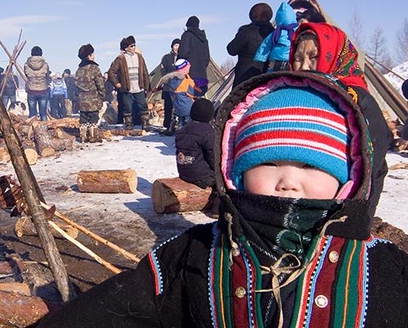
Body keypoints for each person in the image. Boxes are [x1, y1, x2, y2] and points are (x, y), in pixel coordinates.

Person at [38, 71, 408, 328]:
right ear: (237, 169)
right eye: (268, 162)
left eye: (312, 166)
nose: (289, 183)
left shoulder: (383, 270)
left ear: (348, 177)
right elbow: (116, 310)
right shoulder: (193, 256)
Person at [290, 22, 391, 220]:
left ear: (334, 55)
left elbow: (370, 169)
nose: (303, 67)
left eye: (313, 57)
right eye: (298, 58)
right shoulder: (294, 95)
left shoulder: (357, 100)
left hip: (343, 213)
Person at [173, 97, 217, 214]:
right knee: (221, 182)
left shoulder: (183, 129)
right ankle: (217, 209)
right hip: (200, 174)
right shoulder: (207, 131)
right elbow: (212, 154)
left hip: (183, 170)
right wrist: (217, 168)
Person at [107, 35, 151, 130]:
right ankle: (128, 124)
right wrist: (117, 83)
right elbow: (111, 72)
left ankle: (145, 124)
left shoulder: (139, 57)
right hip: (127, 88)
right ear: (126, 48)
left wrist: (147, 87)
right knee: (128, 108)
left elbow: (145, 72)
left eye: (134, 45)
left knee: (143, 106)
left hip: (139, 87)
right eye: (131, 46)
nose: (134, 47)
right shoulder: (120, 59)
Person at [227, 2, 274, 87]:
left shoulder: (246, 31)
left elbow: (231, 50)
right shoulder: (274, 34)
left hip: (244, 76)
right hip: (265, 76)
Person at [254, 2, 298, 72]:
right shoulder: (296, 32)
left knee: (271, 76)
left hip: (274, 59)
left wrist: (260, 57)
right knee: (290, 78)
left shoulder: (275, 33)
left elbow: (265, 45)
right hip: (289, 60)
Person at [75, 44, 105, 142]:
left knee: (83, 119)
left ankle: (83, 136)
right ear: (89, 55)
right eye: (93, 54)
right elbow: (100, 84)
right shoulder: (94, 68)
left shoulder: (79, 69)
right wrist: (101, 95)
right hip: (93, 99)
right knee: (93, 118)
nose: (94, 56)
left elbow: (76, 84)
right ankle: (93, 136)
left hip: (81, 99)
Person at [178, 16, 211, 93]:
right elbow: (207, 58)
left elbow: (183, 53)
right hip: (202, 74)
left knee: (189, 98)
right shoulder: (204, 39)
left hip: (189, 74)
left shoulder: (187, 36)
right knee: (199, 97)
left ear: (188, 25)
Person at [158, 38, 180, 134]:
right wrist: (169, 77)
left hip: (179, 87)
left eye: (179, 46)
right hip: (168, 86)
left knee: (178, 107)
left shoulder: (183, 57)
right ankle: (167, 125)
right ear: (172, 46)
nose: (177, 48)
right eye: (175, 45)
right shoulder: (166, 57)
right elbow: (163, 70)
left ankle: (177, 125)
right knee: (168, 107)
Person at [24, 46, 51, 120]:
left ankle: (33, 130)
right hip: (43, 90)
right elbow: (47, 76)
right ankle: (44, 129)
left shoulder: (26, 65)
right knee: (43, 114)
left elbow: (26, 75)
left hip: (31, 90)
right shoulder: (45, 65)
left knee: (32, 114)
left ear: (31, 53)